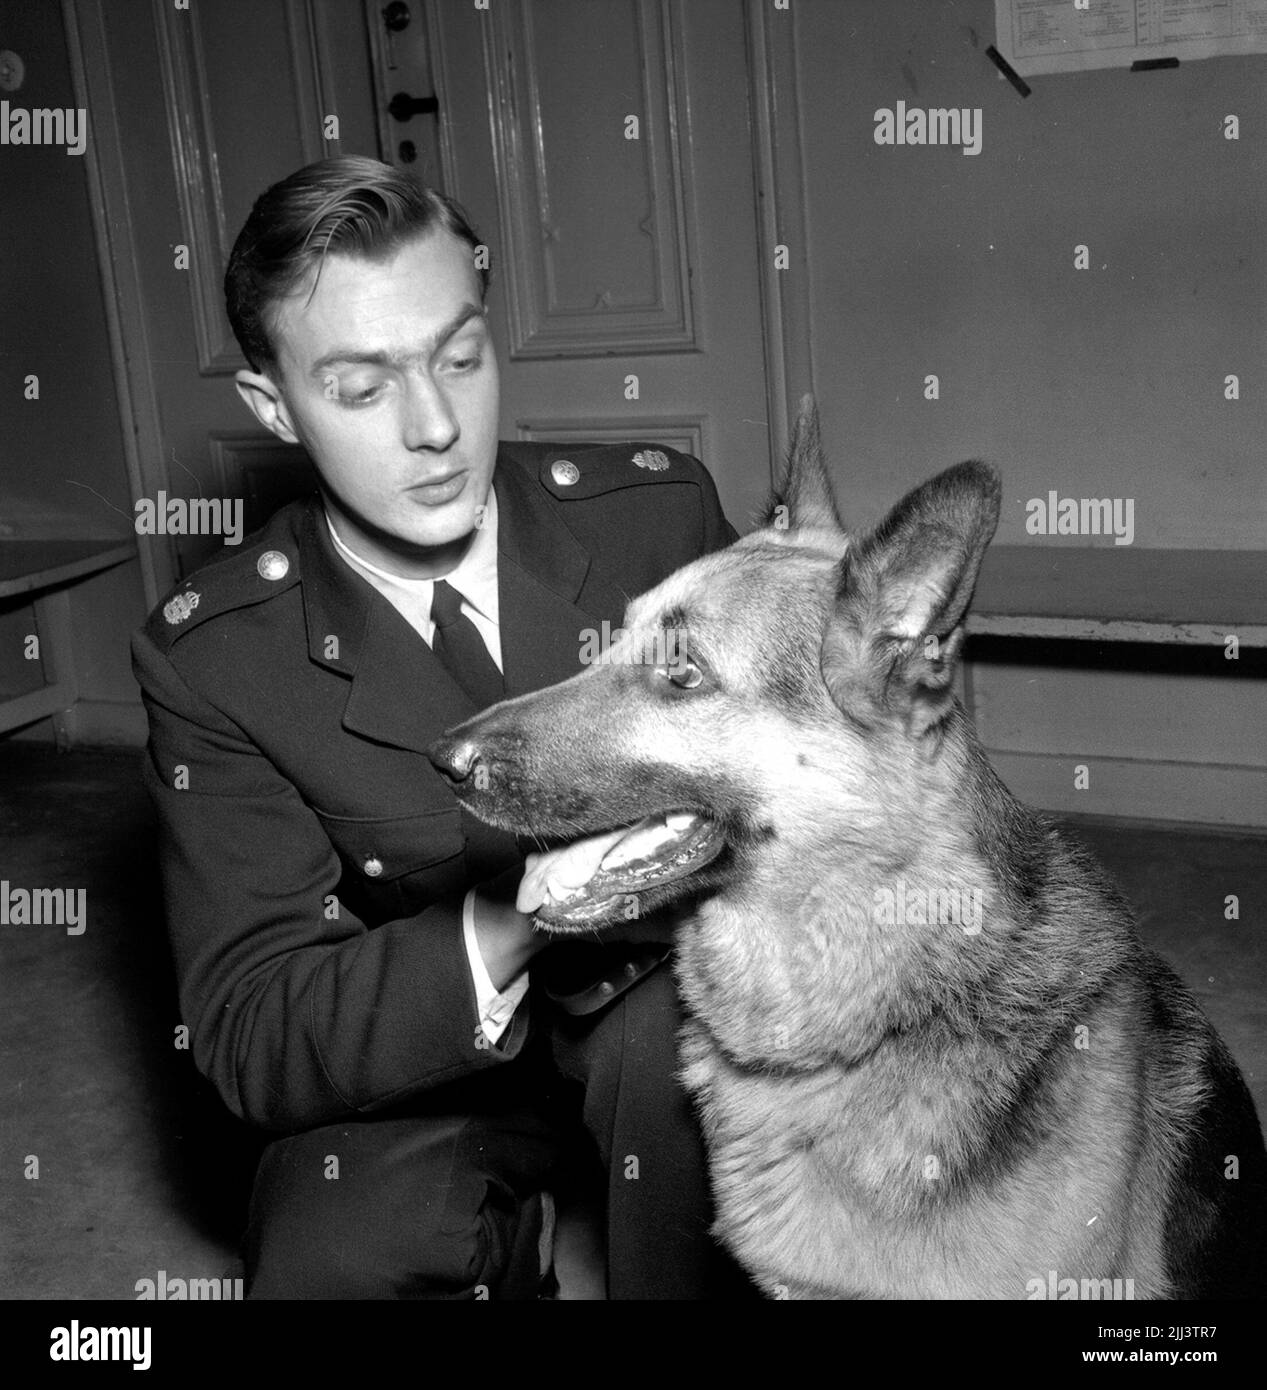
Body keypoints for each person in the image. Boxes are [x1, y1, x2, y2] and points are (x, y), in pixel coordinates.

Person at [131, 155, 751, 1298]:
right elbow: (255, 1032)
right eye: (361, 390)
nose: (435, 428)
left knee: (691, 1073)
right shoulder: (218, 657)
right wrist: (513, 920)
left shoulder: (652, 517)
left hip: (652, 1013)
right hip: (430, 1063)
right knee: (334, 1250)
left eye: (459, 357)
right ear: (274, 406)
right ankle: (514, 1237)